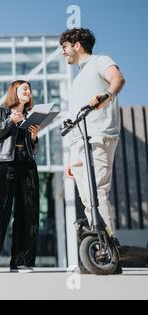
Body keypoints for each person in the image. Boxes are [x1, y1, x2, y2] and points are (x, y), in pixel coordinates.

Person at [60, 28, 125, 239]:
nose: (63, 52)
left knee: (96, 191)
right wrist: (71, 157)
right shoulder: (78, 78)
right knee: (87, 197)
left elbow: (117, 79)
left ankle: (108, 244)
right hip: (79, 141)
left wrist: (106, 95)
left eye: (65, 47)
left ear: (77, 45)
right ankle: (101, 244)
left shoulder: (100, 60)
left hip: (98, 135)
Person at [0, 80, 40, 273]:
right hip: (6, 163)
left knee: (28, 212)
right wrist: (10, 121)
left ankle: (21, 261)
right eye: (24, 88)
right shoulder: (1, 113)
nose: (28, 91)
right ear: (14, 92)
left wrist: (35, 137)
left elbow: (33, 149)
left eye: (29, 89)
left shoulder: (31, 116)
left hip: (27, 163)